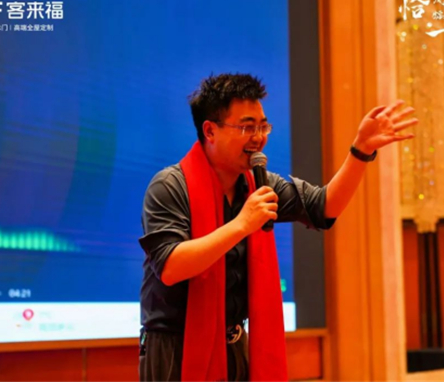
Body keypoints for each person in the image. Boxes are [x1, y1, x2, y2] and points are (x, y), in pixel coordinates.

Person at [138, 73, 417, 382]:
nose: (258, 137)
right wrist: (242, 224)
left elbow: (324, 206)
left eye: (263, 126)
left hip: (234, 345)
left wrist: (360, 150)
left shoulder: (259, 184)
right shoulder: (169, 186)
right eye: (246, 127)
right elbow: (171, 266)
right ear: (210, 130)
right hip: (176, 347)